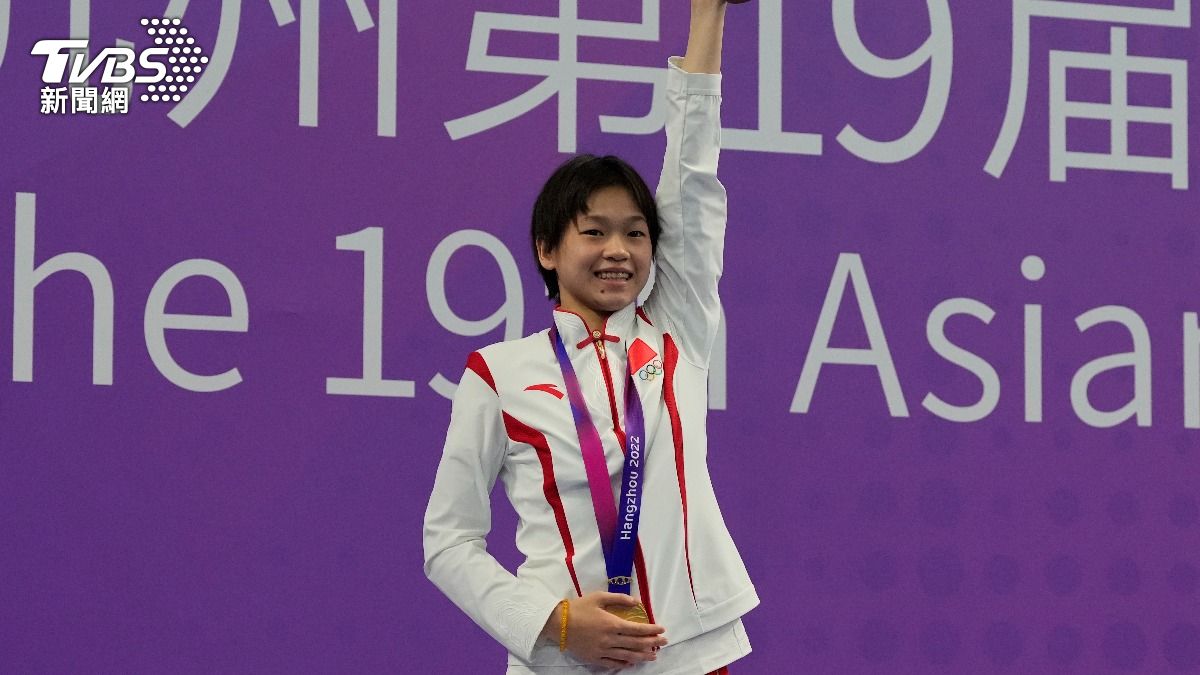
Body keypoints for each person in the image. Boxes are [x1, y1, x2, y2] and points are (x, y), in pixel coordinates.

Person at [423, 2, 757, 672]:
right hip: (564, 660)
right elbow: (448, 541)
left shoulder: (676, 331)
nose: (618, 250)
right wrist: (554, 622)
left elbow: (693, 179)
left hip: (689, 655)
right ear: (547, 248)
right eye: (594, 232)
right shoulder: (499, 373)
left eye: (635, 233)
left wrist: (707, 15)